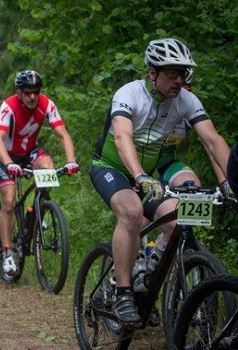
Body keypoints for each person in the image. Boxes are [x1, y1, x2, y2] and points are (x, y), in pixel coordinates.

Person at [90, 38, 231, 324]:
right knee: (131, 212)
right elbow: (122, 137)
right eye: (172, 73)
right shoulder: (130, 93)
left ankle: (151, 272)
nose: (179, 80)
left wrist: (233, 181)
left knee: (179, 220)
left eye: (183, 73)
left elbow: (213, 140)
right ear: (152, 72)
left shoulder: (186, 100)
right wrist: (139, 175)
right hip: (111, 167)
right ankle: (124, 293)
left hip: (149, 174)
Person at [0, 70, 79, 277]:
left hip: (29, 152)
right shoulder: (8, 106)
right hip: (6, 154)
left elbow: (62, 133)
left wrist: (71, 161)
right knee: (9, 201)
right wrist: (9, 163)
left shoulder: (47, 104)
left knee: (49, 167)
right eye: (28, 92)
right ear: (20, 92)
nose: (32, 97)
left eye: (36, 92)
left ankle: (37, 211)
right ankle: (7, 253)